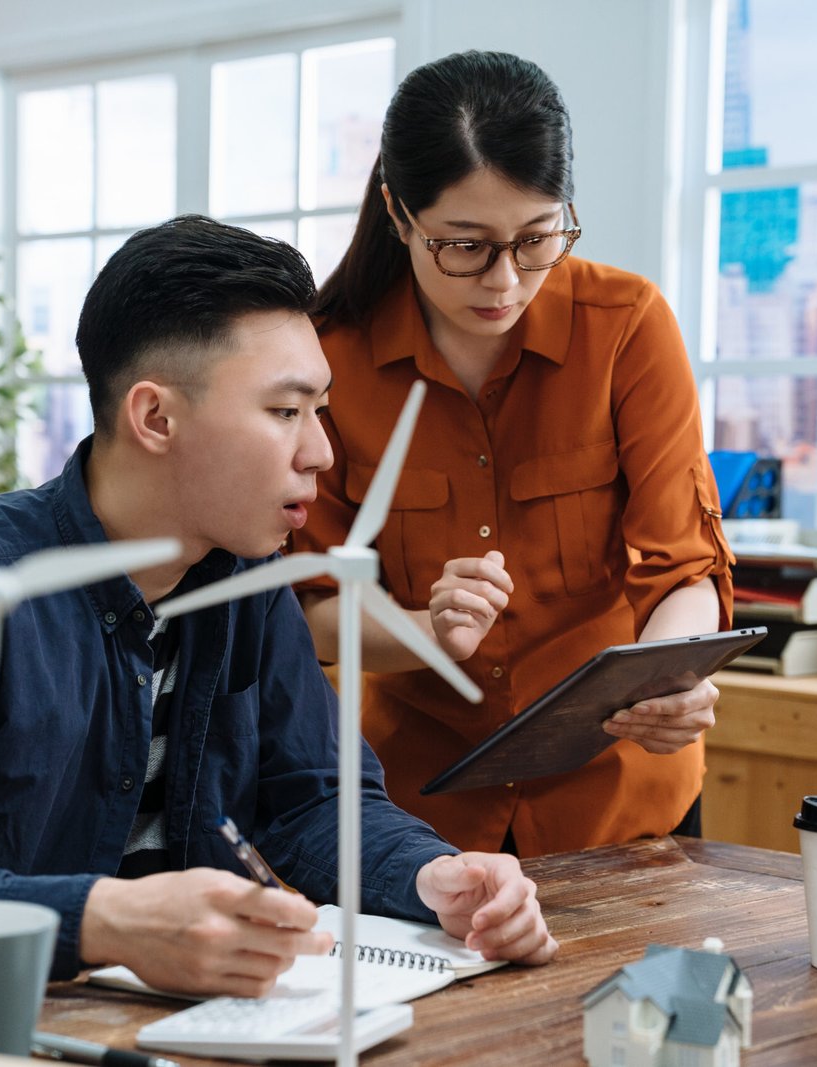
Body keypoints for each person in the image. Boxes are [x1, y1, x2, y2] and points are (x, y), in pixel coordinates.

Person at [0, 215, 557, 999]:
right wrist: (107, 919)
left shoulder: (251, 582)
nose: (321, 452)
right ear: (155, 415)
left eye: (320, 410)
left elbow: (310, 800)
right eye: (284, 411)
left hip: (118, 1022)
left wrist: (430, 874)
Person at [293, 51, 734, 858]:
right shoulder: (331, 361)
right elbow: (316, 607)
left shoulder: (627, 326)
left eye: (537, 239)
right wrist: (427, 629)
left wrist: (669, 678)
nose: (505, 280)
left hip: (622, 801)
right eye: (465, 245)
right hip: (421, 815)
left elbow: (684, 568)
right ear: (399, 214)